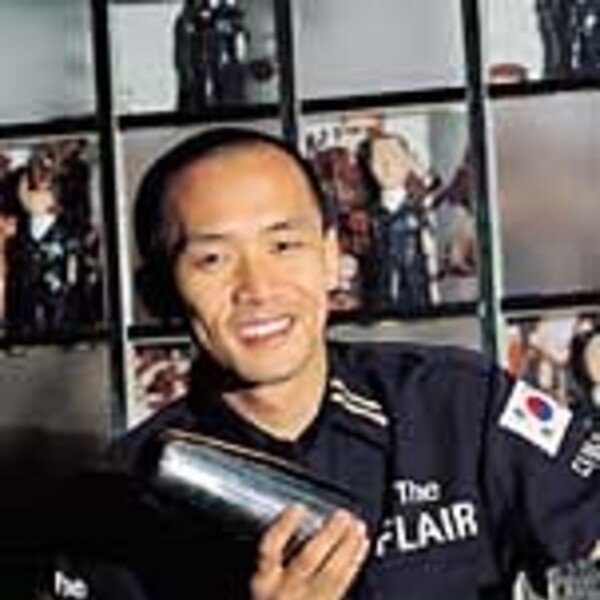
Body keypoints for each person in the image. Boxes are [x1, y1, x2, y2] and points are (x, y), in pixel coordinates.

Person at [50, 127, 598, 600]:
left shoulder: (458, 405)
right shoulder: (116, 506)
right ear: (160, 293)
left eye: (284, 246)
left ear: (333, 257)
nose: (258, 288)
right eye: (212, 258)